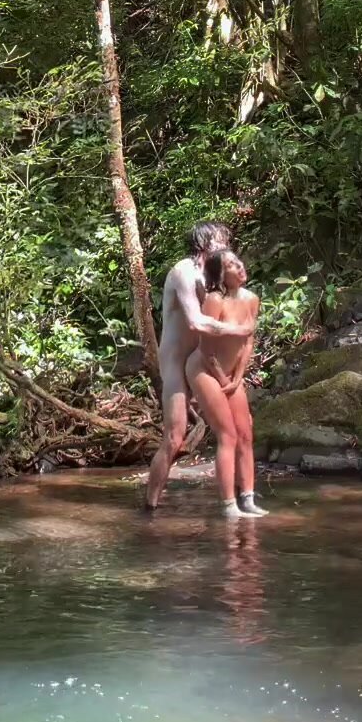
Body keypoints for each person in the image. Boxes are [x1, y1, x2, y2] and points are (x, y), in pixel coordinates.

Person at [144, 221, 235, 512]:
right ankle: (149, 507)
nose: (228, 245)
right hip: (173, 359)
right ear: (205, 243)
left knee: (230, 427)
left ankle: (233, 503)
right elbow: (196, 321)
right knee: (174, 435)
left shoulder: (213, 276)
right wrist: (238, 330)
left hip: (198, 359)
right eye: (222, 239)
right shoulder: (182, 272)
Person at [185, 246, 265, 519]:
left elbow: (248, 340)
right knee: (228, 434)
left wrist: (238, 377)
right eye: (232, 264)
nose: (240, 266)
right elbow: (206, 350)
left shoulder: (252, 299)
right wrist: (223, 380)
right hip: (204, 370)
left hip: (231, 374)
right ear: (220, 275)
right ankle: (229, 505)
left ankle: (249, 499)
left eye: (238, 261)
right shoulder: (214, 300)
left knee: (246, 434)